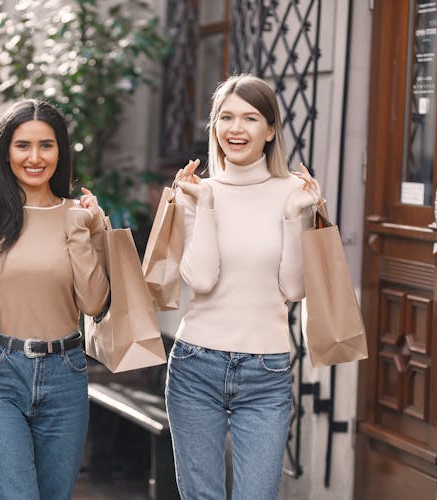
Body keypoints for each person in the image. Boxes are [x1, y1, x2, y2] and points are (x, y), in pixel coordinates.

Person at [0, 99, 109, 500]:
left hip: (65, 376)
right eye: (22, 145)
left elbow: (95, 303)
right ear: (4, 151)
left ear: (60, 151)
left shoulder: (79, 215)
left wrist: (84, 232)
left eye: (46, 145)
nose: (35, 157)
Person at [166, 74, 321, 500]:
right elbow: (201, 279)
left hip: (266, 371)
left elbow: (294, 288)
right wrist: (208, 206)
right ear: (214, 127)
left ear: (270, 130)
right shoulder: (197, 192)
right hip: (196, 364)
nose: (236, 129)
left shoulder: (295, 192)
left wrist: (296, 216)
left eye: (250, 118)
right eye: (226, 117)